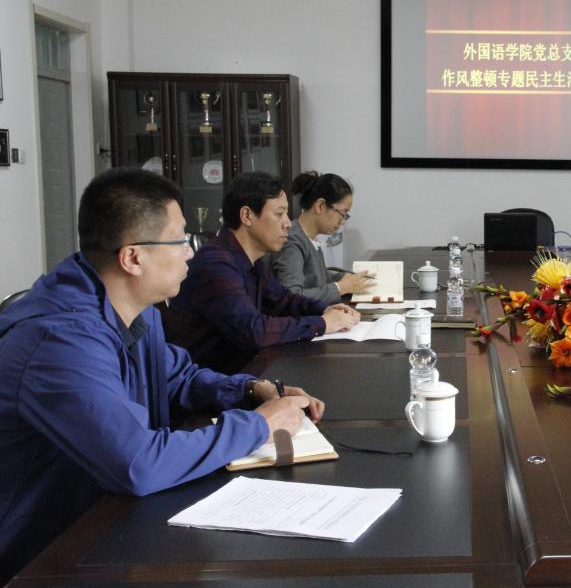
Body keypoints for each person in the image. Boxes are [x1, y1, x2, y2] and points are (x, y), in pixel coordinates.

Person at [0, 168, 323, 582]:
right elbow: (138, 463)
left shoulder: (136, 307)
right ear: (133, 258)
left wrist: (249, 389)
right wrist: (260, 425)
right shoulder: (60, 341)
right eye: (180, 241)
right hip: (42, 553)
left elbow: (177, 377)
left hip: (107, 518)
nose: (191, 253)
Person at [164, 172, 360, 374]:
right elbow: (254, 330)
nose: (288, 223)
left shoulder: (250, 260)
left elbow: (284, 300)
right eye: (279, 214)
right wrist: (322, 323)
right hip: (209, 384)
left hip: (240, 374)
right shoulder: (216, 264)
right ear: (247, 216)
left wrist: (326, 309)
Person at [270, 171, 373, 304]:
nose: (343, 221)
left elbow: (314, 276)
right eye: (342, 213)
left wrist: (343, 278)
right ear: (320, 206)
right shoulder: (291, 242)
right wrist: (341, 287)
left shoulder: (307, 238)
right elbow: (292, 296)